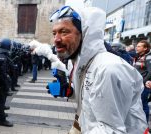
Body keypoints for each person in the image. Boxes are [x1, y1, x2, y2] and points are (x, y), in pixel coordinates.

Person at [31, 5, 148, 133]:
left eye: (64, 32)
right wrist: (70, 91)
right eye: (54, 33)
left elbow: (111, 130)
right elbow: (90, 99)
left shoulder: (108, 69)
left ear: (84, 33)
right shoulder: (77, 62)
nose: (56, 39)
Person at [133, 40, 151, 123]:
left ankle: (145, 125)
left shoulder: (148, 57)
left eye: (139, 46)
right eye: (137, 46)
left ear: (145, 48)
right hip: (138, 85)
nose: (137, 47)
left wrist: (145, 81)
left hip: (144, 85)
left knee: (143, 105)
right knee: (138, 105)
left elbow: (150, 71)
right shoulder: (139, 57)